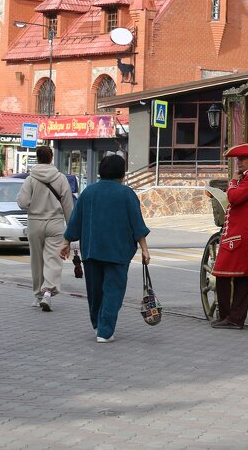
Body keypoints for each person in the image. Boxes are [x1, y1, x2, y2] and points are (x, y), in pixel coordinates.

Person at [59, 154, 150, 343]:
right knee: (113, 291)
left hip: (92, 249)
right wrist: (144, 249)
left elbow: (76, 221)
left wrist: (66, 242)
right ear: (122, 173)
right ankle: (105, 330)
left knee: (95, 291)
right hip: (118, 251)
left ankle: (97, 325)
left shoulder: (89, 192)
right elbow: (137, 224)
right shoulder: (127, 194)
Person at [211, 143, 248, 329]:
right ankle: (229, 317)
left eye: (243, 158)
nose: (239, 162)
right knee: (232, 274)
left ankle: (234, 318)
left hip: (243, 233)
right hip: (238, 232)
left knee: (234, 274)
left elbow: (234, 197)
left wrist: (233, 182)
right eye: (238, 158)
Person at [16, 145, 74, 311]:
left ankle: (37, 295)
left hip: (35, 222)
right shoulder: (61, 178)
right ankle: (48, 292)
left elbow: (23, 202)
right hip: (55, 222)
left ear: (37, 158)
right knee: (53, 258)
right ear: (51, 158)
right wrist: (71, 229)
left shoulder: (30, 179)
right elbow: (68, 205)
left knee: (37, 260)